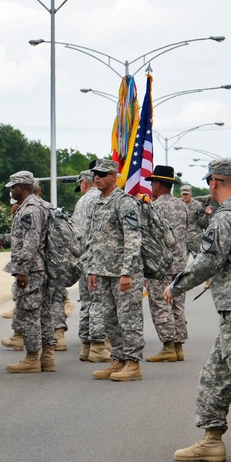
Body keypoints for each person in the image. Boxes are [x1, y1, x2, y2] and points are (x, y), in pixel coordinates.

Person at [164, 159, 231, 462]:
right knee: (216, 373)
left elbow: (208, 261)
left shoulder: (225, 217)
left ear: (214, 182)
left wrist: (176, 286)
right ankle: (211, 439)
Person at [85, 158, 145, 382]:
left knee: (128, 319)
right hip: (103, 271)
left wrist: (127, 271)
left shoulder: (124, 202)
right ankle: (118, 360)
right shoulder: (97, 203)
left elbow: (133, 238)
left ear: (114, 176)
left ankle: (133, 363)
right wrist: (92, 268)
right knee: (109, 319)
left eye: (102, 174)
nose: (97, 177)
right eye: (95, 174)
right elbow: (94, 239)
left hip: (123, 273)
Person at [1, 171, 55, 373]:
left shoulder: (29, 211)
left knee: (30, 313)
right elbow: (21, 238)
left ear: (21, 187)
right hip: (41, 268)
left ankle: (32, 358)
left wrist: (22, 270)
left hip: (32, 269)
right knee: (44, 312)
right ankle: (47, 357)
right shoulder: (39, 206)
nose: (12, 191)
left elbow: (30, 243)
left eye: (13, 187)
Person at [143, 165, 190, 363]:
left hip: (160, 265)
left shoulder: (155, 207)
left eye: (153, 182)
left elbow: (147, 235)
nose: (151, 186)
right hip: (180, 263)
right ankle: (178, 346)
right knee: (177, 304)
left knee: (161, 304)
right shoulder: (182, 206)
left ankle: (168, 345)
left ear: (159, 184)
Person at [71, 169, 109, 363]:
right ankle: (97, 347)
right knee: (99, 303)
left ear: (84, 184)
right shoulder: (101, 200)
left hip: (82, 259)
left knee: (86, 303)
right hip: (98, 260)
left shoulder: (81, 202)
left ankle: (85, 346)